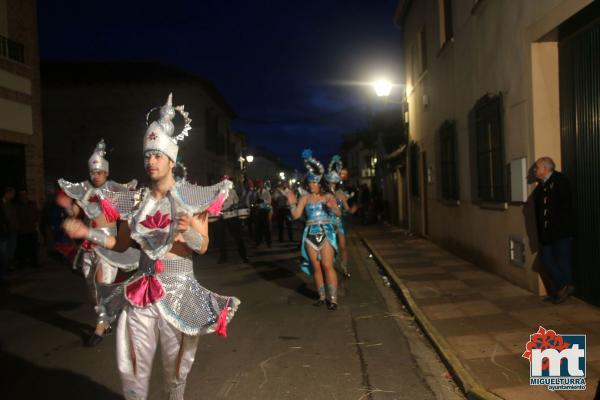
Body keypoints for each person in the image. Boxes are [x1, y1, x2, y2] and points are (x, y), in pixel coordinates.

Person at [63, 93, 240, 399]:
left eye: (157, 156)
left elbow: (203, 247)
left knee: (175, 373)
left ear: (171, 158)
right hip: (141, 292)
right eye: (147, 156)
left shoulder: (192, 198)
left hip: (180, 291)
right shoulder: (134, 201)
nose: (151, 161)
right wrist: (85, 233)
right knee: (132, 369)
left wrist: (188, 234)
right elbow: (118, 245)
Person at [58, 139, 140, 346]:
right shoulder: (85, 191)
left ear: (106, 173)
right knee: (91, 288)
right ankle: (110, 313)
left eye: (99, 172)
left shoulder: (115, 190)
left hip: (108, 245)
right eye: (92, 173)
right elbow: (75, 211)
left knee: (101, 283)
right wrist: (68, 208)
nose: (95, 176)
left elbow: (132, 207)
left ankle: (100, 329)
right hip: (88, 245)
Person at [288, 149, 341, 310]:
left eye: (315, 182)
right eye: (310, 182)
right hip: (309, 233)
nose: (312, 185)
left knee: (326, 265)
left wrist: (333, 208)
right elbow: (296, 215)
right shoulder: (304, 198)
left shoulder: (328, 197)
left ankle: (333, 299)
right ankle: (322, 296)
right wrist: (291, 202)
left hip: (326, 231)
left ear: (320, 183)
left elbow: (338, 213)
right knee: (315, 266)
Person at [533, 157, 575, 304]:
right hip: (547, 234)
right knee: (546, 259)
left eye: (537, 167)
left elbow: (564, 208)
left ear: (545, 168)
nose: (535, 170)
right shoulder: (541, 186)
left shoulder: (560, 181)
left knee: (562, 262)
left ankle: (560, 292)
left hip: (560, 231)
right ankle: (564, 286)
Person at [325, 155, 357, 279]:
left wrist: (351, 210)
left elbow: (347, 209)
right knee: (331, 248)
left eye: (334, 181)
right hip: (327, 223)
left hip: (339, 222)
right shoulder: (324, 194)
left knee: (343, 247)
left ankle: (344, 268)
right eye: (330, 181)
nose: (332, 183)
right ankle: (329, 268)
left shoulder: (341, 193)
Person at [217, 176, 249, 264]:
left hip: (232, 216)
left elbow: (237, 203)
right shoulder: (218, 192)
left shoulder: (233, 191)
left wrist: (234, 206)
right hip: (222, 217)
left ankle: (244, 255)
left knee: (238, 237)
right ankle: (223, 257)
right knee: (221, 238)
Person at [15, 189, 40, 269]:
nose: (23, 196)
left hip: (31, 229)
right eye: (21, 195)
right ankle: (22, 263)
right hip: (22, 230)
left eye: (24, 194)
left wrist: (36, 223)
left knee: (33, 247)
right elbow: (16, 217)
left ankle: (34, 262)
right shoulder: (17, 205)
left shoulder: (32, 204)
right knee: (22, 248)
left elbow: (36, 214)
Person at [2, 187, 17, 271]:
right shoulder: (3, 204)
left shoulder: (10, 204)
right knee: (5, 250)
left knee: (11, 249)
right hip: (6, 230)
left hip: (12, 229)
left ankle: (8, 265)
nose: (13, 196)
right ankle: (5, 267)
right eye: (12, 194)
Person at [254, 179, 272, 247]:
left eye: (261, 183)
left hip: (264, 210)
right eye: (258, 183)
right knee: (258, 228)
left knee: (266, 227)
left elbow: (269, 201)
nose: (259, 185)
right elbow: (254, 201)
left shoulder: (266, 192)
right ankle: (258, 241)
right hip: (258, 211)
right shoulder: (257, 192)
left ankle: (269, 242)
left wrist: (263, 200)